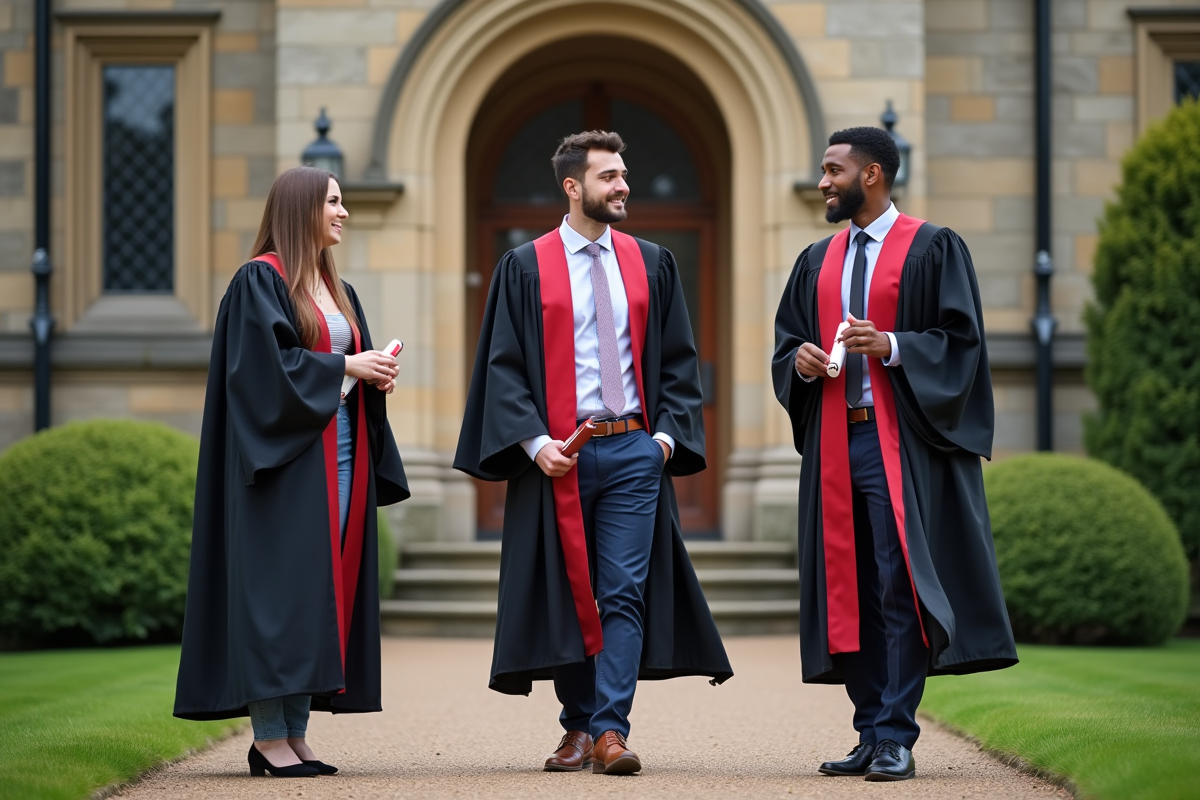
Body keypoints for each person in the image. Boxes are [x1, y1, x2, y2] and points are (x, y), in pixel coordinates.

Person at [455, 131, 732, 776]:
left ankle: (610, 729)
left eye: (624, 174)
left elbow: (677, 361)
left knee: (623, 591)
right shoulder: (525, 266)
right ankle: (575, 725)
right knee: (569, 590)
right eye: (609, 176)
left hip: (633, 449)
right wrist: (533, 443)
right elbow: (503, 367)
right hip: (562, 454)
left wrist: (662, 441)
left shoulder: (652, 262)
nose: (623, 185)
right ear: (573, 187)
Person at [772, 128, 1017, 782]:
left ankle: (895, 735)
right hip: (833, 441)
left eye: (833, 170)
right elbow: (788, 342)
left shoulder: (932, 248)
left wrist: (893, 346)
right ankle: (868, 729)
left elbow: (961, 344)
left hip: (897, 442)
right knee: (849, 587)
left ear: (872, 174)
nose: (822, 181)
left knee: (894, 583)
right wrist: (796, 361)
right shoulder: (815, 260)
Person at [174, 166, 410, 778]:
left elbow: (331, 363)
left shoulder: (338, 287)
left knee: (320, 594)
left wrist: (371, 369)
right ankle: (268, 738)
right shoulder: (260, 279)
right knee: (280, 597)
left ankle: (296, 733)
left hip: (343, 458)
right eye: (334, 201)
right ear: (303, 207)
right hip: (283, 467)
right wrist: (347, 367)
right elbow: (261, 374)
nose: (344, 212)